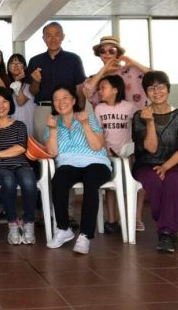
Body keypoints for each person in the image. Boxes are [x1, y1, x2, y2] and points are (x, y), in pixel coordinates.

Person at [84, 36, 150, 232]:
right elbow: (88, 90)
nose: (107, 54)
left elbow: (156, 77)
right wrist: (105, 70)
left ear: (119, 52)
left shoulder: (132, 71)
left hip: (134, 133)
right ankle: (112, 220)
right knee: (110, 181)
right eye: (102, 50)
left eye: (111, 50)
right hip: (106, 139)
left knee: (137, 178)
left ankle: (136, 218)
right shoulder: (97, 78)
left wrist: (131, 62)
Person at [44, 84, 111, 254]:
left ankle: (85, 235)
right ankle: (63, 229)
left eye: (65, 98)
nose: (61, 102)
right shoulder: (52, 123)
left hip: (96, 162)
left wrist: (85, 124)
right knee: (58, 180)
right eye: (56, 99)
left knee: (91, 183)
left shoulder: (88, 118)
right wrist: (52, 130)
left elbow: (97, 146)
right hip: (69, 164)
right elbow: (52, 152)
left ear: (74, 100)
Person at [132, 71, 178, 253]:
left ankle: (166, 232)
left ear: (168, 89)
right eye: (151, 88)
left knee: (172, 181)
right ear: (146, 92)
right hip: (146, 165)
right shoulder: (139, 116)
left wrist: (166, 166)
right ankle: (169, 228)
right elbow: (151, 149)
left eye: (160, 87)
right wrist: (150, 122)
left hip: (174, 164)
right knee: (154, 180)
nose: (156, 91)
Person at [0, 87, 37, 245]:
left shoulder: (19, 125)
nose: (1, 105)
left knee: (29, 180)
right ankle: (12, 223)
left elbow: (20, 148)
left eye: (4, 101)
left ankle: (28, 222)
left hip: (20, 164)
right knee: (8, 180)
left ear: (10, 104)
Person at [26, 22, 86, 143]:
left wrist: (79, 111)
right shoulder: (35, 61)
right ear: (43, 38)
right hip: (43, 110)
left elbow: (80, 89)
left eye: (57, 35)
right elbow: (32, 91)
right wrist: (36, 82)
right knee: (43, 147)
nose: (53, 39)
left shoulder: (74, 59)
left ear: (63, 36)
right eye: (48, 35)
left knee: (69, 145)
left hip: (68, 110)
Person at [94, 75, 138, 234]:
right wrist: (103, 149)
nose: (100, 91)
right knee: (110, 187)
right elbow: (98, 131)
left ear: (115, 89)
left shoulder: (130, 107)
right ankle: (111, 221)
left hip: (126, 156)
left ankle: (126, 219)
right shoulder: (99, 108)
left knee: (126, 187)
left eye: (103, 88)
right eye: (99, 88)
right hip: (107, 155)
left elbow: (138, 129)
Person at [7, 54, 35, 137]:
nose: (16, 66)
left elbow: (21, 102)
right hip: (10, 125)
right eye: (12, 63)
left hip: (27, 125)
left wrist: (17, 80)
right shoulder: (7, 85)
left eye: (19, 63)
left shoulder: (29, 86)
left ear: (24, 67)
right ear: (8, 68)